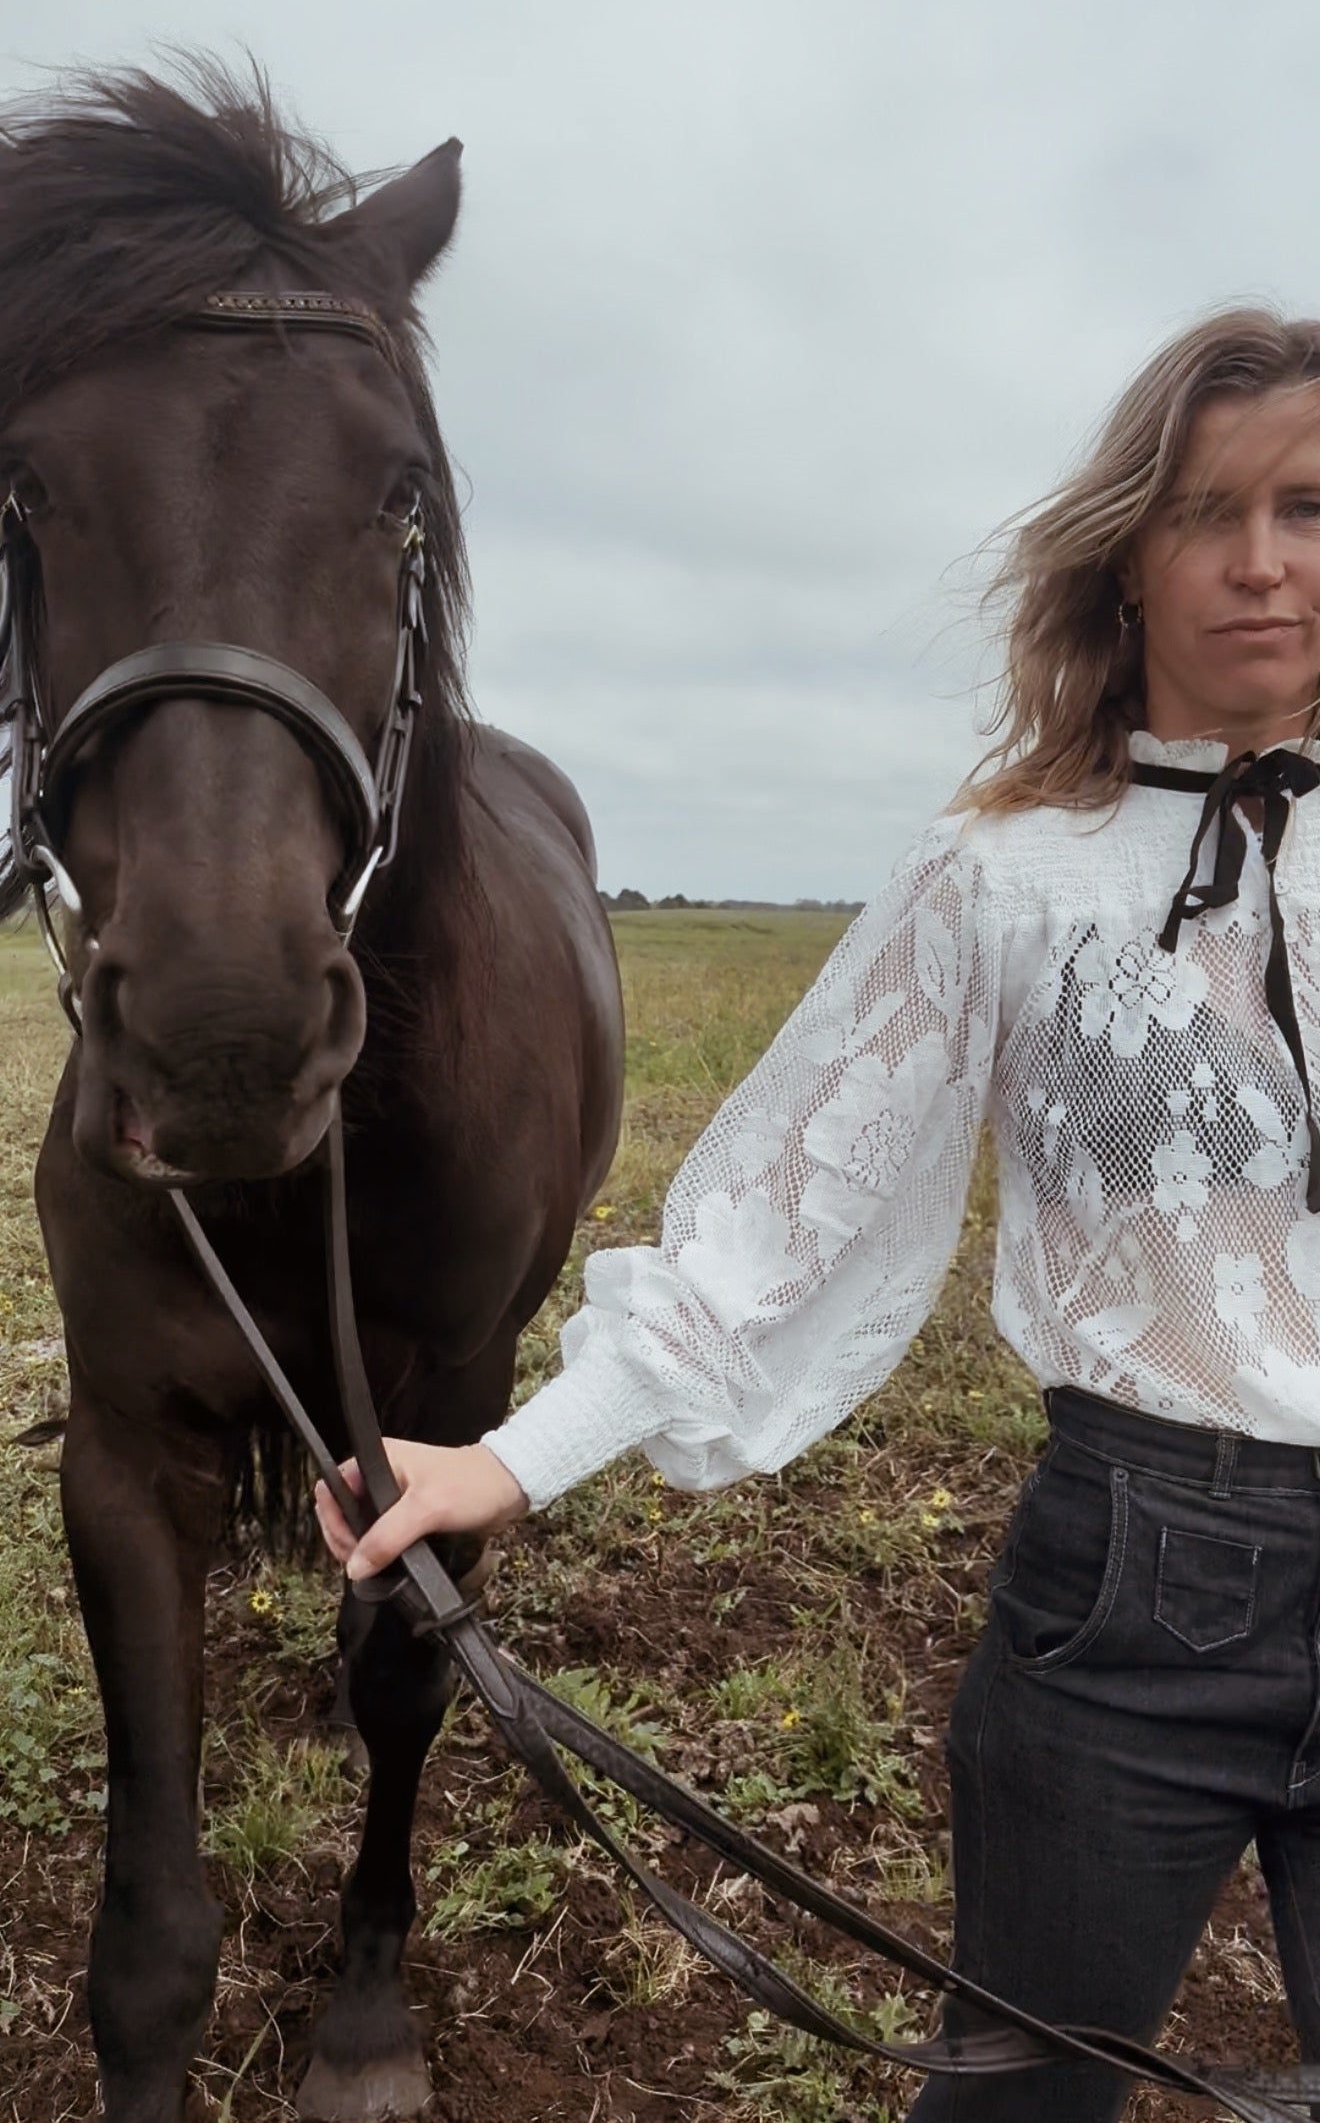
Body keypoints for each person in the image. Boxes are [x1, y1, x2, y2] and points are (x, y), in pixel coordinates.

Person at [317, 308, 1320, 2120]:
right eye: (1208, 512)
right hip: (1137, 1601)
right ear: (1128, 557)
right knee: (1019, 2099)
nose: (1263, 560)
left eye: (1310, 508)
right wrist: (510, 1460)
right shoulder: (1006, 873)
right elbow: (779, 1216)